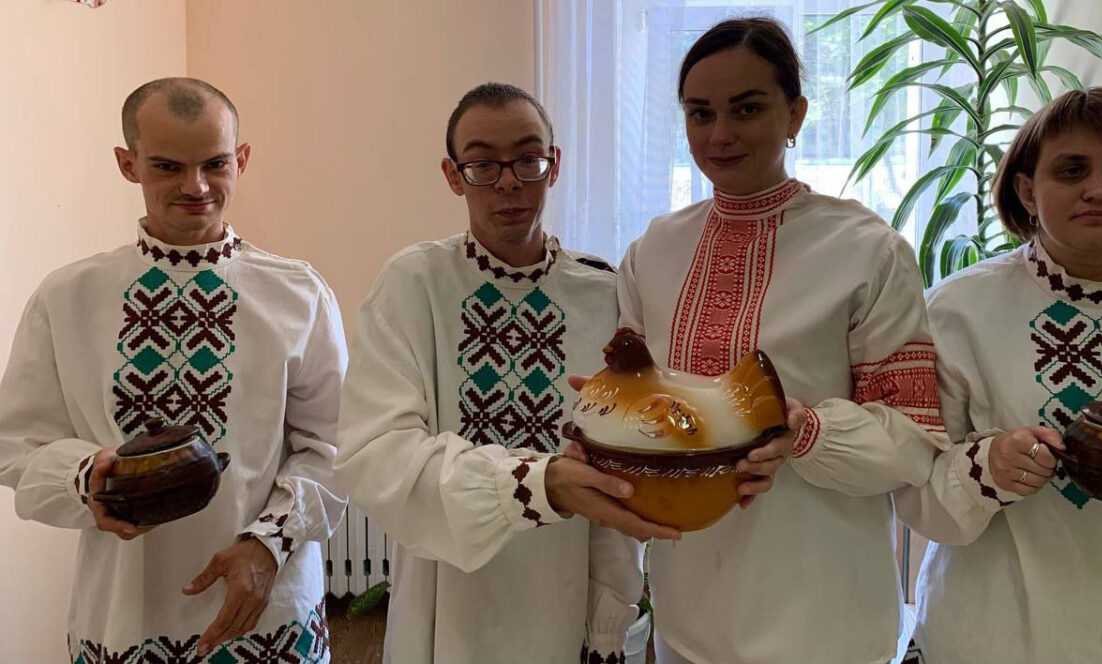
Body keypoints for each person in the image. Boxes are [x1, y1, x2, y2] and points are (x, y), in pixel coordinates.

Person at [614, 17, 947, 664]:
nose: (720, 134)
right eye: (700, 113)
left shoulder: (865, 251)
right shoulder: (653, 251)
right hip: (686, 606)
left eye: (747, 109)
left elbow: (912, 443)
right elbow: (635, 403)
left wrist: (803, 432)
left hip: (823, 610)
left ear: (795, 114)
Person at [334, 82, 689, 663]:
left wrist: (609, 624)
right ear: (453, 175)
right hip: (449, 594)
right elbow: (377, 453)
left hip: (565, 590)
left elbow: (617, 465)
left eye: (528, 159)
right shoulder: (414, 285)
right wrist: (536, 484)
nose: (508, 182)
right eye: (482, 165)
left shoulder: (602, 294)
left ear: (555, 165)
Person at [0, 78, 347, 661]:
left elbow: (337, 445)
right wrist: (88, 478)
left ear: (241, 159)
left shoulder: (298, 294)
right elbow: (16, 446)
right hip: (123, 613)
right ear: (128, 164)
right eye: (168, 166)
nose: (196, 186)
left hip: (269, 608)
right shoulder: (68, 298)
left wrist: (269, 544)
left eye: (215, 164)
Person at [895, 87, 1102, 663]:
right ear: (1027, 190)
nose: (1099, 189)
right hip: (992, 631)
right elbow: (913, 498)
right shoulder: (954, 312)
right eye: (1071, 169)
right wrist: (988, 467)